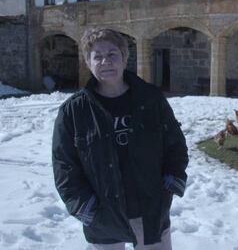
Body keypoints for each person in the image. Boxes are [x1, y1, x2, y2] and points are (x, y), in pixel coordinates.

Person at [52, 28, 188, 250]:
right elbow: (64, 165)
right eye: (97, 56)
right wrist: (87, 208)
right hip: (102, 216)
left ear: (125, 58)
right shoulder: (73, 111)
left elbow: (176, 147)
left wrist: (169, 187)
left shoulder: (151, 99)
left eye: (113, 54)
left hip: (150, 211)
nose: (106, 61)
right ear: (88, 62)